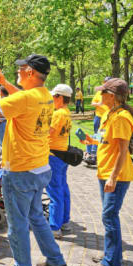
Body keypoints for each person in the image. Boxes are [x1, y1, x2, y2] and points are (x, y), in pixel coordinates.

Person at [0, 54, 68, 266]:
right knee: (36, 217)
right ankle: (55, 259)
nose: (17, 72)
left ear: (30, 72)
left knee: (18, 224)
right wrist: (5, 84)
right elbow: (24, 99)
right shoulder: (45, 96)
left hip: (20, 170)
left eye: (21, 69)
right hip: (40, 168)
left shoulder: (28, 98)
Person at [81, 78, 133, 266]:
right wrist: (91, 140)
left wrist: (113, 178)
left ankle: (112, 264)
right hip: (105, 172)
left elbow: (123, 151)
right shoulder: (109, 113)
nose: (99, 96)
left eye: (102, 93)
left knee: (109, 216)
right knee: (108, 216)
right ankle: (111, 254)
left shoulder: (122, 117)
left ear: (111, 96)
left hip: (117, 175)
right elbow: (106, 139)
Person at [47, 84, 73, 239]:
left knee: (54, 191)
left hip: (53, 155)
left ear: (60, 97)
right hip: (62, 154)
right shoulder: (66, 112)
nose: (51, 99)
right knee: (62, 188)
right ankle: (65, 221)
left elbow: (48, 132)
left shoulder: (58, 114)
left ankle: (54, 227)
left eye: (54, 97)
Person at [85, 77, 111, 165]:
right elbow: (92, 103)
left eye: (107, 82)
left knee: (100, 134)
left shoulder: (112, 94)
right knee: (97, 134)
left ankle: (93, 153)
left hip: (107, 117)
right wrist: (99, 104)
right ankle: (90, 153)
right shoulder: (99, 93)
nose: (105, 84)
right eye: (105, 82)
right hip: (98, 116)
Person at [0, 86, 9, 151]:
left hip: (2, 122)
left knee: (2, 141)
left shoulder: (1, 101)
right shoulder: (10, 99)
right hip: (8, 121)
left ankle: (4, 156)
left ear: (1, 92)